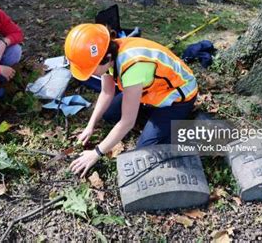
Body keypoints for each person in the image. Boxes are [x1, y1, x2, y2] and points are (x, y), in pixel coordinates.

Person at [66, 23, 198, 177]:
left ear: (107, 58)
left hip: (177, 98)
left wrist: (96, 153)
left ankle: (181, 128)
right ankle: (154, 120)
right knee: (110, 115)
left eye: (90, 68)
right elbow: (107, 92)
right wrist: (90, 125)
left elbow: (127, 122)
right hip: (149, 91)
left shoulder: (132, 67)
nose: (89, 74)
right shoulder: (109, 51)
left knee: (146, 149)